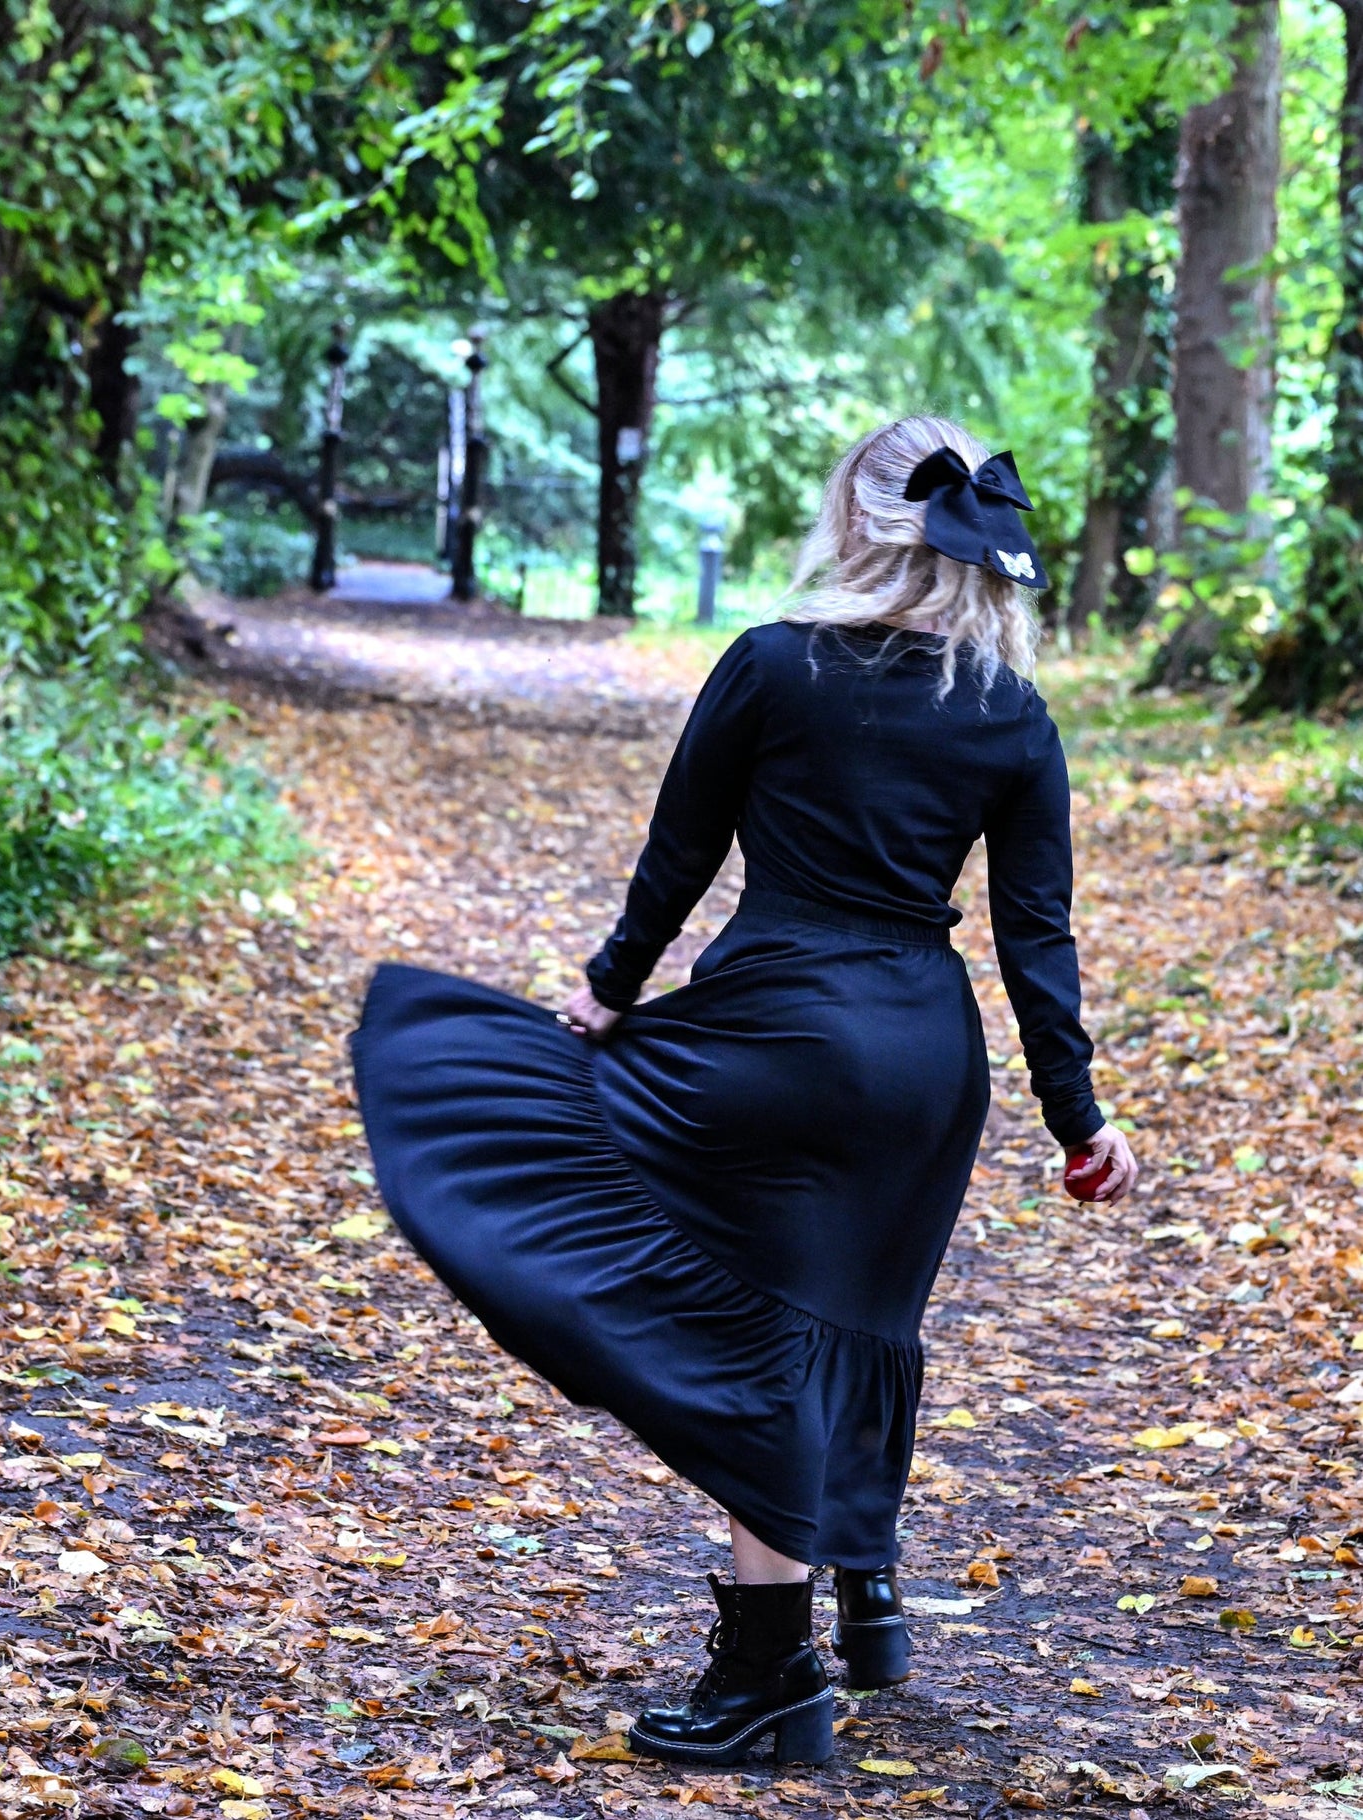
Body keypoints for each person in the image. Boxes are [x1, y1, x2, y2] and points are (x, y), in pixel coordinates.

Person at [351, 414, 1139, 1772]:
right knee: (859, 1318)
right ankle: (866, 1595)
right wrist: (1080, 1117)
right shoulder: (1009, 709)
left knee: (766, 1339)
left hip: (782, 1035)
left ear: (852, 521)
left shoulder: (773, 664)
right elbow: (1036, 938)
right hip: (924, 1062)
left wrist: (609, 991)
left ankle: (771, 1672)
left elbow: (681, 850)